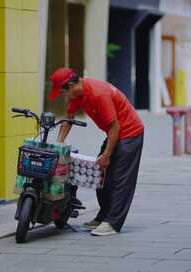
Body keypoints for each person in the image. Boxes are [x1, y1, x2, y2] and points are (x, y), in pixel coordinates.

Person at [48, 67, 144, 236]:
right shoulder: (77, 95)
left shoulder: (98, 94)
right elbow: (68, 119)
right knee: (100, 174)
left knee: (120, 181)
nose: (63, 96)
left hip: (130, 133)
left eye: (62, 92)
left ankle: (113, 223)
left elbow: (115, 126)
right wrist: (59, 144)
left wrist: (106, 155)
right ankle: (103, 217)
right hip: (115, 134)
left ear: (71, 85)